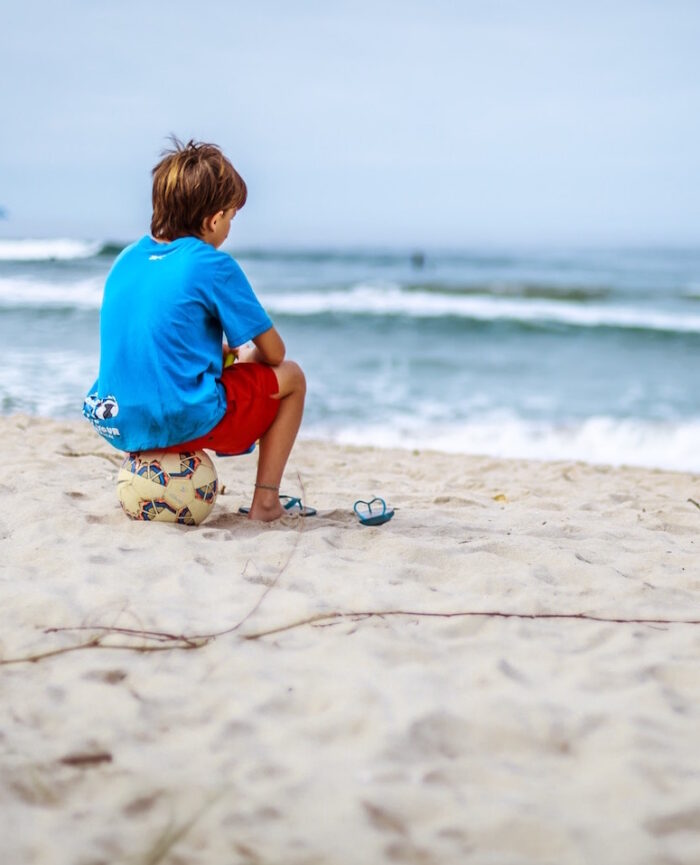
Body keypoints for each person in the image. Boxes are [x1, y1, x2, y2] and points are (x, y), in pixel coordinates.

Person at [83, 138, 306, 522]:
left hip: (118, 418)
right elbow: (275, 354)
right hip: (181, 418)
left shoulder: (126, 258)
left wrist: (219, 354)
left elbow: (157, 340)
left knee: (208, 368)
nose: (229, 229)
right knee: (293, 378)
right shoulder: (212, 264)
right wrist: (248, 355)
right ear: (214, 220)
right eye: (231, 218)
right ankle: (266, 503)